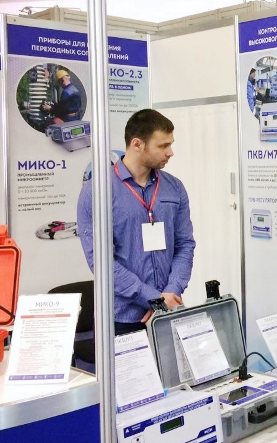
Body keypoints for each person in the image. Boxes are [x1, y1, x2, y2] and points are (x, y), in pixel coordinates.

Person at [77, 109, 195, 336]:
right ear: (137, 144)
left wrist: (169, 294)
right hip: (122, 318)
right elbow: (100, 261)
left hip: (169, 309)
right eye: (163, 146)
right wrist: (152, 298)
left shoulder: (174, 187)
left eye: (170, 145)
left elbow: (185, 244)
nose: (170, 152)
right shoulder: (97, 191)